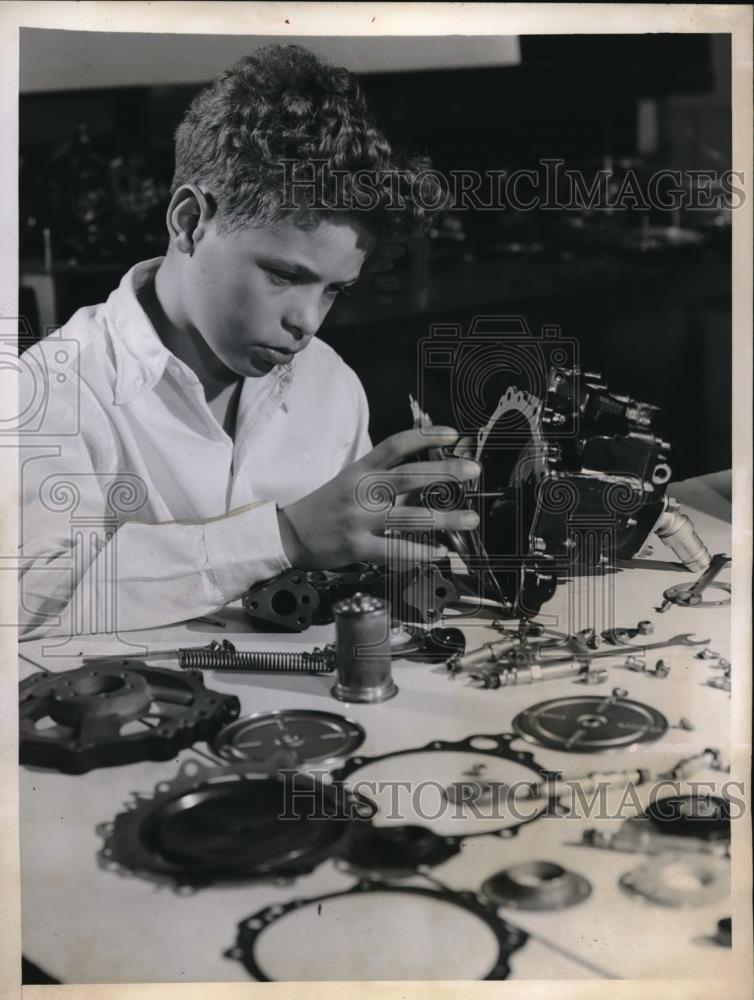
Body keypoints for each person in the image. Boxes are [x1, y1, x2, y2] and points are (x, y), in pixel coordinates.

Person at [18, 44, 479, 639]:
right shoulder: (45, 391)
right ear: (189, 222)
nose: (308, 322)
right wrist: (283, 538)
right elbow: (24, 607)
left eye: (334, 290)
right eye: (284, 276)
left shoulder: (329, 381)